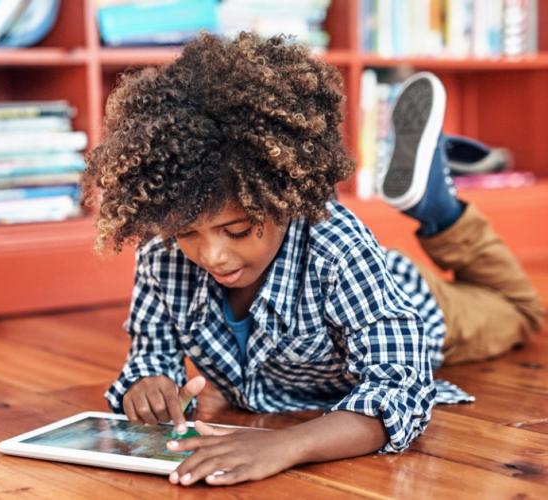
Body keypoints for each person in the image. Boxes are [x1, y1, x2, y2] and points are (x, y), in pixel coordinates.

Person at [82, 33, 544, 487]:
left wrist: (286, 446)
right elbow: (150, 356)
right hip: (357, 289)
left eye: (238, 230)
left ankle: (441, 211)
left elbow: (399, 390)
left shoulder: (336, 245)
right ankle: (438, 206)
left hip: (410, 301)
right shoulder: (162, 253)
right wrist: (147, 387)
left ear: (288, 197)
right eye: (187, 233)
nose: (212, 255)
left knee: (523, 312)